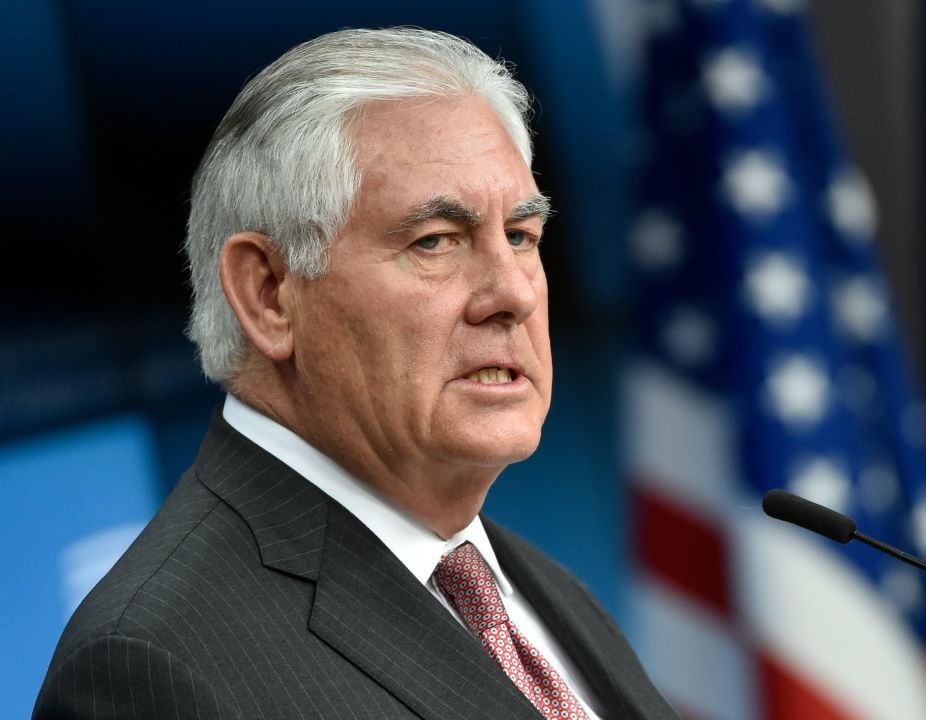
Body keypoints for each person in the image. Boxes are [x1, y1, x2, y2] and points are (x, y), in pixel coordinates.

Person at [34, 27, 677, 719]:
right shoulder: (150, 666)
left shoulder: (545, 593)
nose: (514, 294)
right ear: (270, 294)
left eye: (520, 237)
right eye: (436, 242)